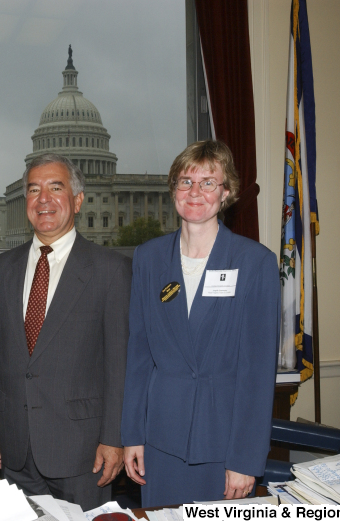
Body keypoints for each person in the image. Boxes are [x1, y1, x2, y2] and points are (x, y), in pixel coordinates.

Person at [121, 140, 280, 507]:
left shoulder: (255, 262)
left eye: (209, 182)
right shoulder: (148, 258)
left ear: (227, 192)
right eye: (185, 182)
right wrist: (132, 434)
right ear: (173, 189)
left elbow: (257, 372)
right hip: (159, 439)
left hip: (223, 441)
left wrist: (245, 459)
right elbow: (139, 354)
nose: (196, 192)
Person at [0, 153, 132, 510]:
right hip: (13, 446)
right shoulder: (1, 268)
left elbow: (119, 365)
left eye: (55, 188)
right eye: (34, 189)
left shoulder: (111, 270)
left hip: (82, 450)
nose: (42, 199)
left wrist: (114, 438)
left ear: (77, 200)